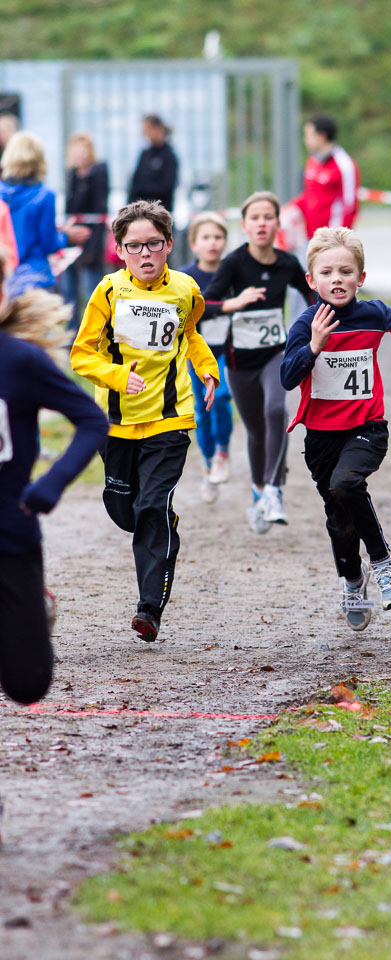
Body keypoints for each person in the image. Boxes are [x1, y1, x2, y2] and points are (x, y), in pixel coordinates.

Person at [70, 200, 219, 643]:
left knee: (151, 506)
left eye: (154, 244)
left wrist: (207, 369)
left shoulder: (187, 290)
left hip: (169, 420)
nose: (146, 254)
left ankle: (148, 609)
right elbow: (81, 353)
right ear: (119, 250)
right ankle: (161, 529)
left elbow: (190, 336)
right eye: (135, 246)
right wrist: (118, 377)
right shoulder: (108, 292)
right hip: (115, 423)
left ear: (169, 244)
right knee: (126, 510)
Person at [280, 226, 391, 631]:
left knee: (347, 485)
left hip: (367, 426)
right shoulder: (305, 324)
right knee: (338, 514)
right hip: (320, 437)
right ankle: (353, 581)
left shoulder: (372, 313)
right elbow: (286, 377)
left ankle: (385, 565)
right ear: (311, 280)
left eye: (347, 272)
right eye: (328, 272)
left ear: (361, 279)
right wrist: (314, 345)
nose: (338, 279)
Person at [0, 249, 108, 705]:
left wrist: (52, 482)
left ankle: (33, 605)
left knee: (28, 685)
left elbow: (91, 420)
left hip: (9, 531)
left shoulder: (20, 361)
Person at [203, 190, 314, 532]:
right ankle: (259, 492)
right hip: (239, 362)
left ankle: (274, 491)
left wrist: (313, 325)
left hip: (275, 354)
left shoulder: (287, 263)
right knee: (255, 431)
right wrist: (233, 304)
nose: (262, 223)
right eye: (255, 218)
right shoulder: (234, 263)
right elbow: (203, 306)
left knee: (276, 412)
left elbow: (312, 292)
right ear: (245, 226)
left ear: (277, 224)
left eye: (268, 217)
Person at [180, 211, 233, 502]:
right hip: (197, 353)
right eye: (206, 237)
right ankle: (209, 462)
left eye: (218, 237)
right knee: (201, 410)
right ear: (194, 243)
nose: (212, 243)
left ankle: (223, 451)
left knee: (222, 397)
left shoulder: (232, 270)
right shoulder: (186, 276)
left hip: (228, 350)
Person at [0, 131, 89, 296]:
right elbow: (49, 243)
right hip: (35, 279)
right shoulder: (44, 195)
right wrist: (66, 236)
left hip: (5, 278)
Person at [61, 132, 109, 332]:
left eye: (83, 150)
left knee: (92, 292)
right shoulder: (71, 175)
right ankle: (72, 337)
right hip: (71, 242)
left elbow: (99, 212)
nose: (79, 155)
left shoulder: (97, 174)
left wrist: (92, 250)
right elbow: (70, 210)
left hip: (90, 243)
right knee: (68, 293)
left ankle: (94, 335)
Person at [291, 114, 360, 239]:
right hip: (310, 237)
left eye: (308, 135)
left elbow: (350, 206)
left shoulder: (344, 165)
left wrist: (337, 242)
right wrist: (289, 209)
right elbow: (309, 195)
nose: (305, 140)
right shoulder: (312, 161)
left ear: (321, 136)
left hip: (330, 241)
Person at [128, 115, 178, 212]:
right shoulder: (144, 154)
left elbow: (167, 188)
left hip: (160, 213)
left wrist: (142, 188)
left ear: (158, 129)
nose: (145, 134)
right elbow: (134, 184)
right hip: (139, 212)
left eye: (147, 130)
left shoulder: (169, 156)